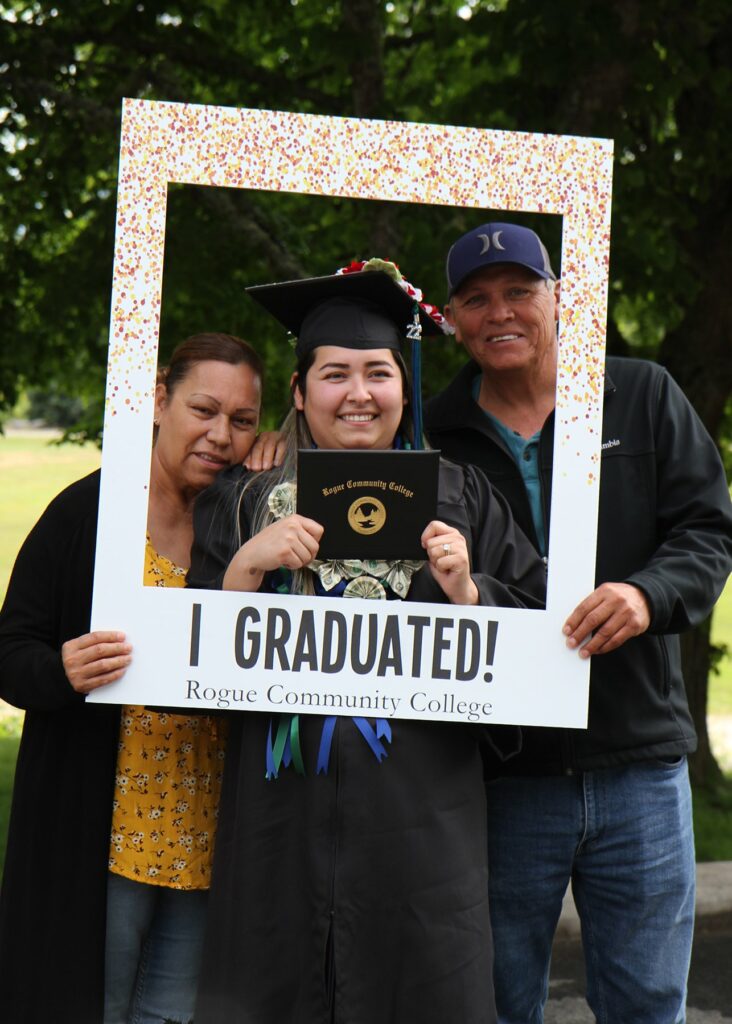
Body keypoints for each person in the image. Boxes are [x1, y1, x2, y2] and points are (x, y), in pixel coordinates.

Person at [187, 260, 546, 1024]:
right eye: (334, 374)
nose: (358, 394)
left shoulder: (461, 494)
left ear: (404, 387)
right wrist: (248, 566)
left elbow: (539, 646)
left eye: (378, 372)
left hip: (422, 825)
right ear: (298, 391)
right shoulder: (242, 501)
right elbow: (187, 663)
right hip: (276, 819)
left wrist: (470, 593)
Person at [424, 221, 732, 1023]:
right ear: (451, 319)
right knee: (490, 1003)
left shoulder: (641, 392)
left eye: (521, 292)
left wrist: (648, 594)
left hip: (639, 765)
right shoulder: (428, 433)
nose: (502, 312)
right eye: (477, 299)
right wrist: (279, 445)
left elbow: (708, 530)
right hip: (499, 777)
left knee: (646, 1004)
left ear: (559, 298)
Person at [0, 332, 264, 1024]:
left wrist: (281, 460)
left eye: (242, 421)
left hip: (206, 838)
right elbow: (11, 651)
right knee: (92, 1007)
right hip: (102, 831)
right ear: (157, 401)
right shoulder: (89, 514)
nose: (220, 435)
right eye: (203, 410)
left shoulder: (245, 522)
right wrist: (60, 669)